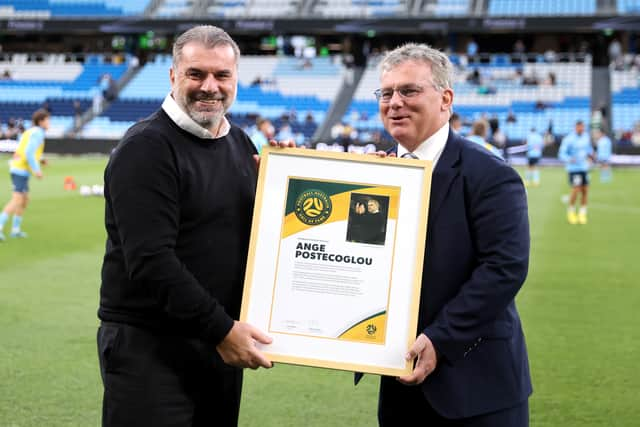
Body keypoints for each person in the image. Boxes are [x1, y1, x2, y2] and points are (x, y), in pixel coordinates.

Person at [97, 25, 276, 427]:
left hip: (216, 344)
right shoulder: (147, 147)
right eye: (196, 74)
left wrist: (286, 189)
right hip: (152, 348)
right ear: (174, 76)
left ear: (236, 80)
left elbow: (255, 240)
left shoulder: (242, 144)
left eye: (222, 75)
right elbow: (150, 261)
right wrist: (222, 330)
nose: (209, 86)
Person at [365, 43, 531, 426]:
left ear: (446, 98)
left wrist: (441, 338)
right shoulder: (376, 176)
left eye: (408, 91)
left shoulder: (490, 173)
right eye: (386, 93)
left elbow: (504, 267)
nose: (394, 103)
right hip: (400, 386)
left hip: (477, 387)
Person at [0, 108, 50, 241]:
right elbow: (28, 153)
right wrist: (37, 170)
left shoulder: (30, 131)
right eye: (47, 120)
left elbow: (24, 149)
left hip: (19, 168)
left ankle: (15, 230)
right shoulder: (38, 133)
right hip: (20, 169)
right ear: (41, 121)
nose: (49, 123)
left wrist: (41, 159)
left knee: (24, 200)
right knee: (17, 200)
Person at [558, 120, 593, 225]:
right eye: (579, 127)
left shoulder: (586, 137)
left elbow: (588, 149)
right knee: (576, 189)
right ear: (575, 127)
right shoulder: (569, 139)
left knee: (585, 190)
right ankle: (571, 212)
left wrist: (591, 155)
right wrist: (569, 159)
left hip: (584, 168)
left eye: (582, 127)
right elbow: (561, 154)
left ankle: (582, 213)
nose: (581, 129)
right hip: (574, 169)